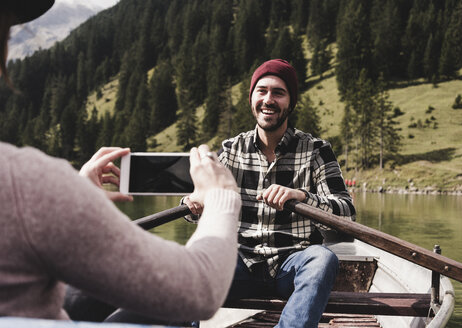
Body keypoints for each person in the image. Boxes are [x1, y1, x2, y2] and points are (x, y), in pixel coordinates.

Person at [0, 0, 242, 325]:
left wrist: (74, 200)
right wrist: (221, 197)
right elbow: (199, 291)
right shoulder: (24, 182)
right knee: (178, 314)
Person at [183, 59, 356, 328]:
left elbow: (346, 214)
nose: (268, 99)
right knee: (191, 265)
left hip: (294, 264)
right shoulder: (231, 150)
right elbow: (202, 199)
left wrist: (301, 197)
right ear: (251, 98)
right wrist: (194, 203)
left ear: (291, 102)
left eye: (278, 92)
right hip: (240, 265)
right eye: (261, 91)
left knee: (323, 259)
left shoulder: (316, 150)